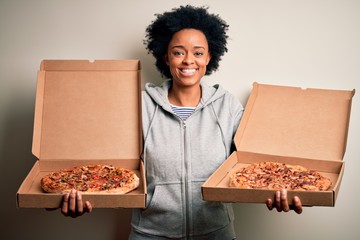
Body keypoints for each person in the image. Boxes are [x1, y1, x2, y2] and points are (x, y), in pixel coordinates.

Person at [59, 5, 302, 239]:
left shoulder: (228, 106)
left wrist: (282, 190)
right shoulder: (139, 107)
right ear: (165, 56)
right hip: (150, 235)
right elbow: (109, 169)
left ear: (209, 57)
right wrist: (78, 196)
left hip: (216, 234)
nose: (188, 60)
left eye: (198, 52)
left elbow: (256, 166)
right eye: (178, 52)